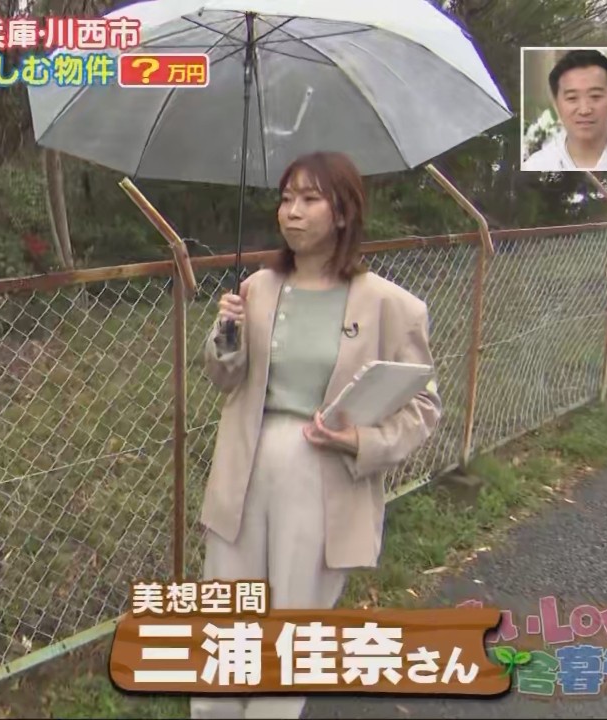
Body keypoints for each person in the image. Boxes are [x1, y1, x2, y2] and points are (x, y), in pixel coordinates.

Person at [192, 152, 442, 719]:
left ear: (344, 213)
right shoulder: (256, 288)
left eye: (310, 199)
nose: (293, 212)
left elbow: (424, 405)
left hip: (323, 478)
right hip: (244, 467)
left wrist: (361, 441)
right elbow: (224, 377)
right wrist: (226, 331)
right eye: (286, 199)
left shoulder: (391, 305)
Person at [523, 49, 607, 171]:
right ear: (556, 105)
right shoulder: (537, 166)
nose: (584, 110)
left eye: (595, 96)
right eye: (572, 98)